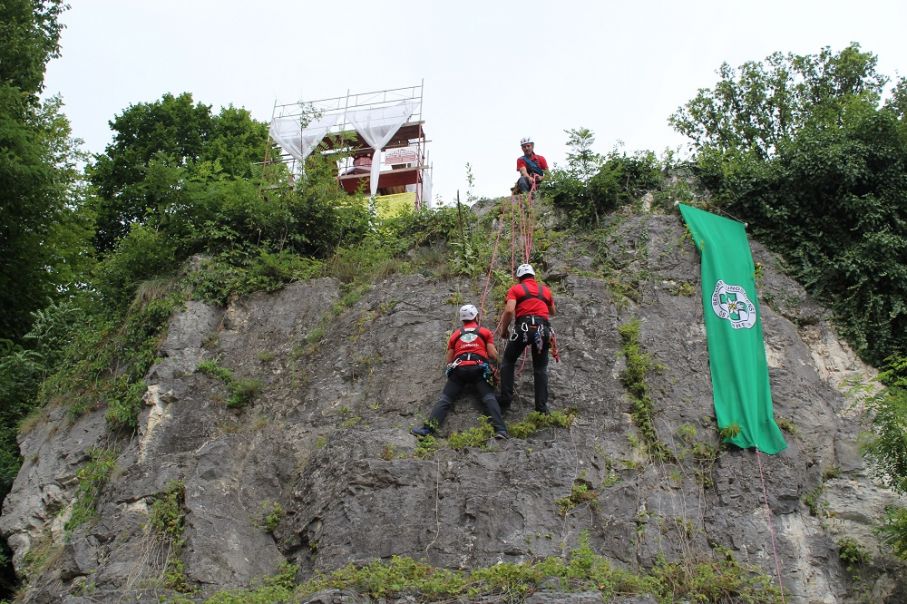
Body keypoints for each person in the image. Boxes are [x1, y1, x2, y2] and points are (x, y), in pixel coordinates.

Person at [412, 304, 509, 439]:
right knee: (488, 398)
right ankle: (501, 430)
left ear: (462, 319)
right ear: (476, 316)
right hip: (478, 368)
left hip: (459, 369)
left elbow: (449, 359)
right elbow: (492, 354)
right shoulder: (485, 332)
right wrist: (501, 363)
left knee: (445, 399)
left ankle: (427, 430)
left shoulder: (455, 335)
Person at [497, 264, 556, 414]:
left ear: (519, 278)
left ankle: (505, 399)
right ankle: (542, 409)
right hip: (542, 331)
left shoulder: (516, 289)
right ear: (534, 276)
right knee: (540, 368)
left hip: (523, 328)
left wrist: (504, 330)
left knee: (508, 361)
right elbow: (552, 311)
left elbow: (510, 310)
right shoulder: (545, 290)